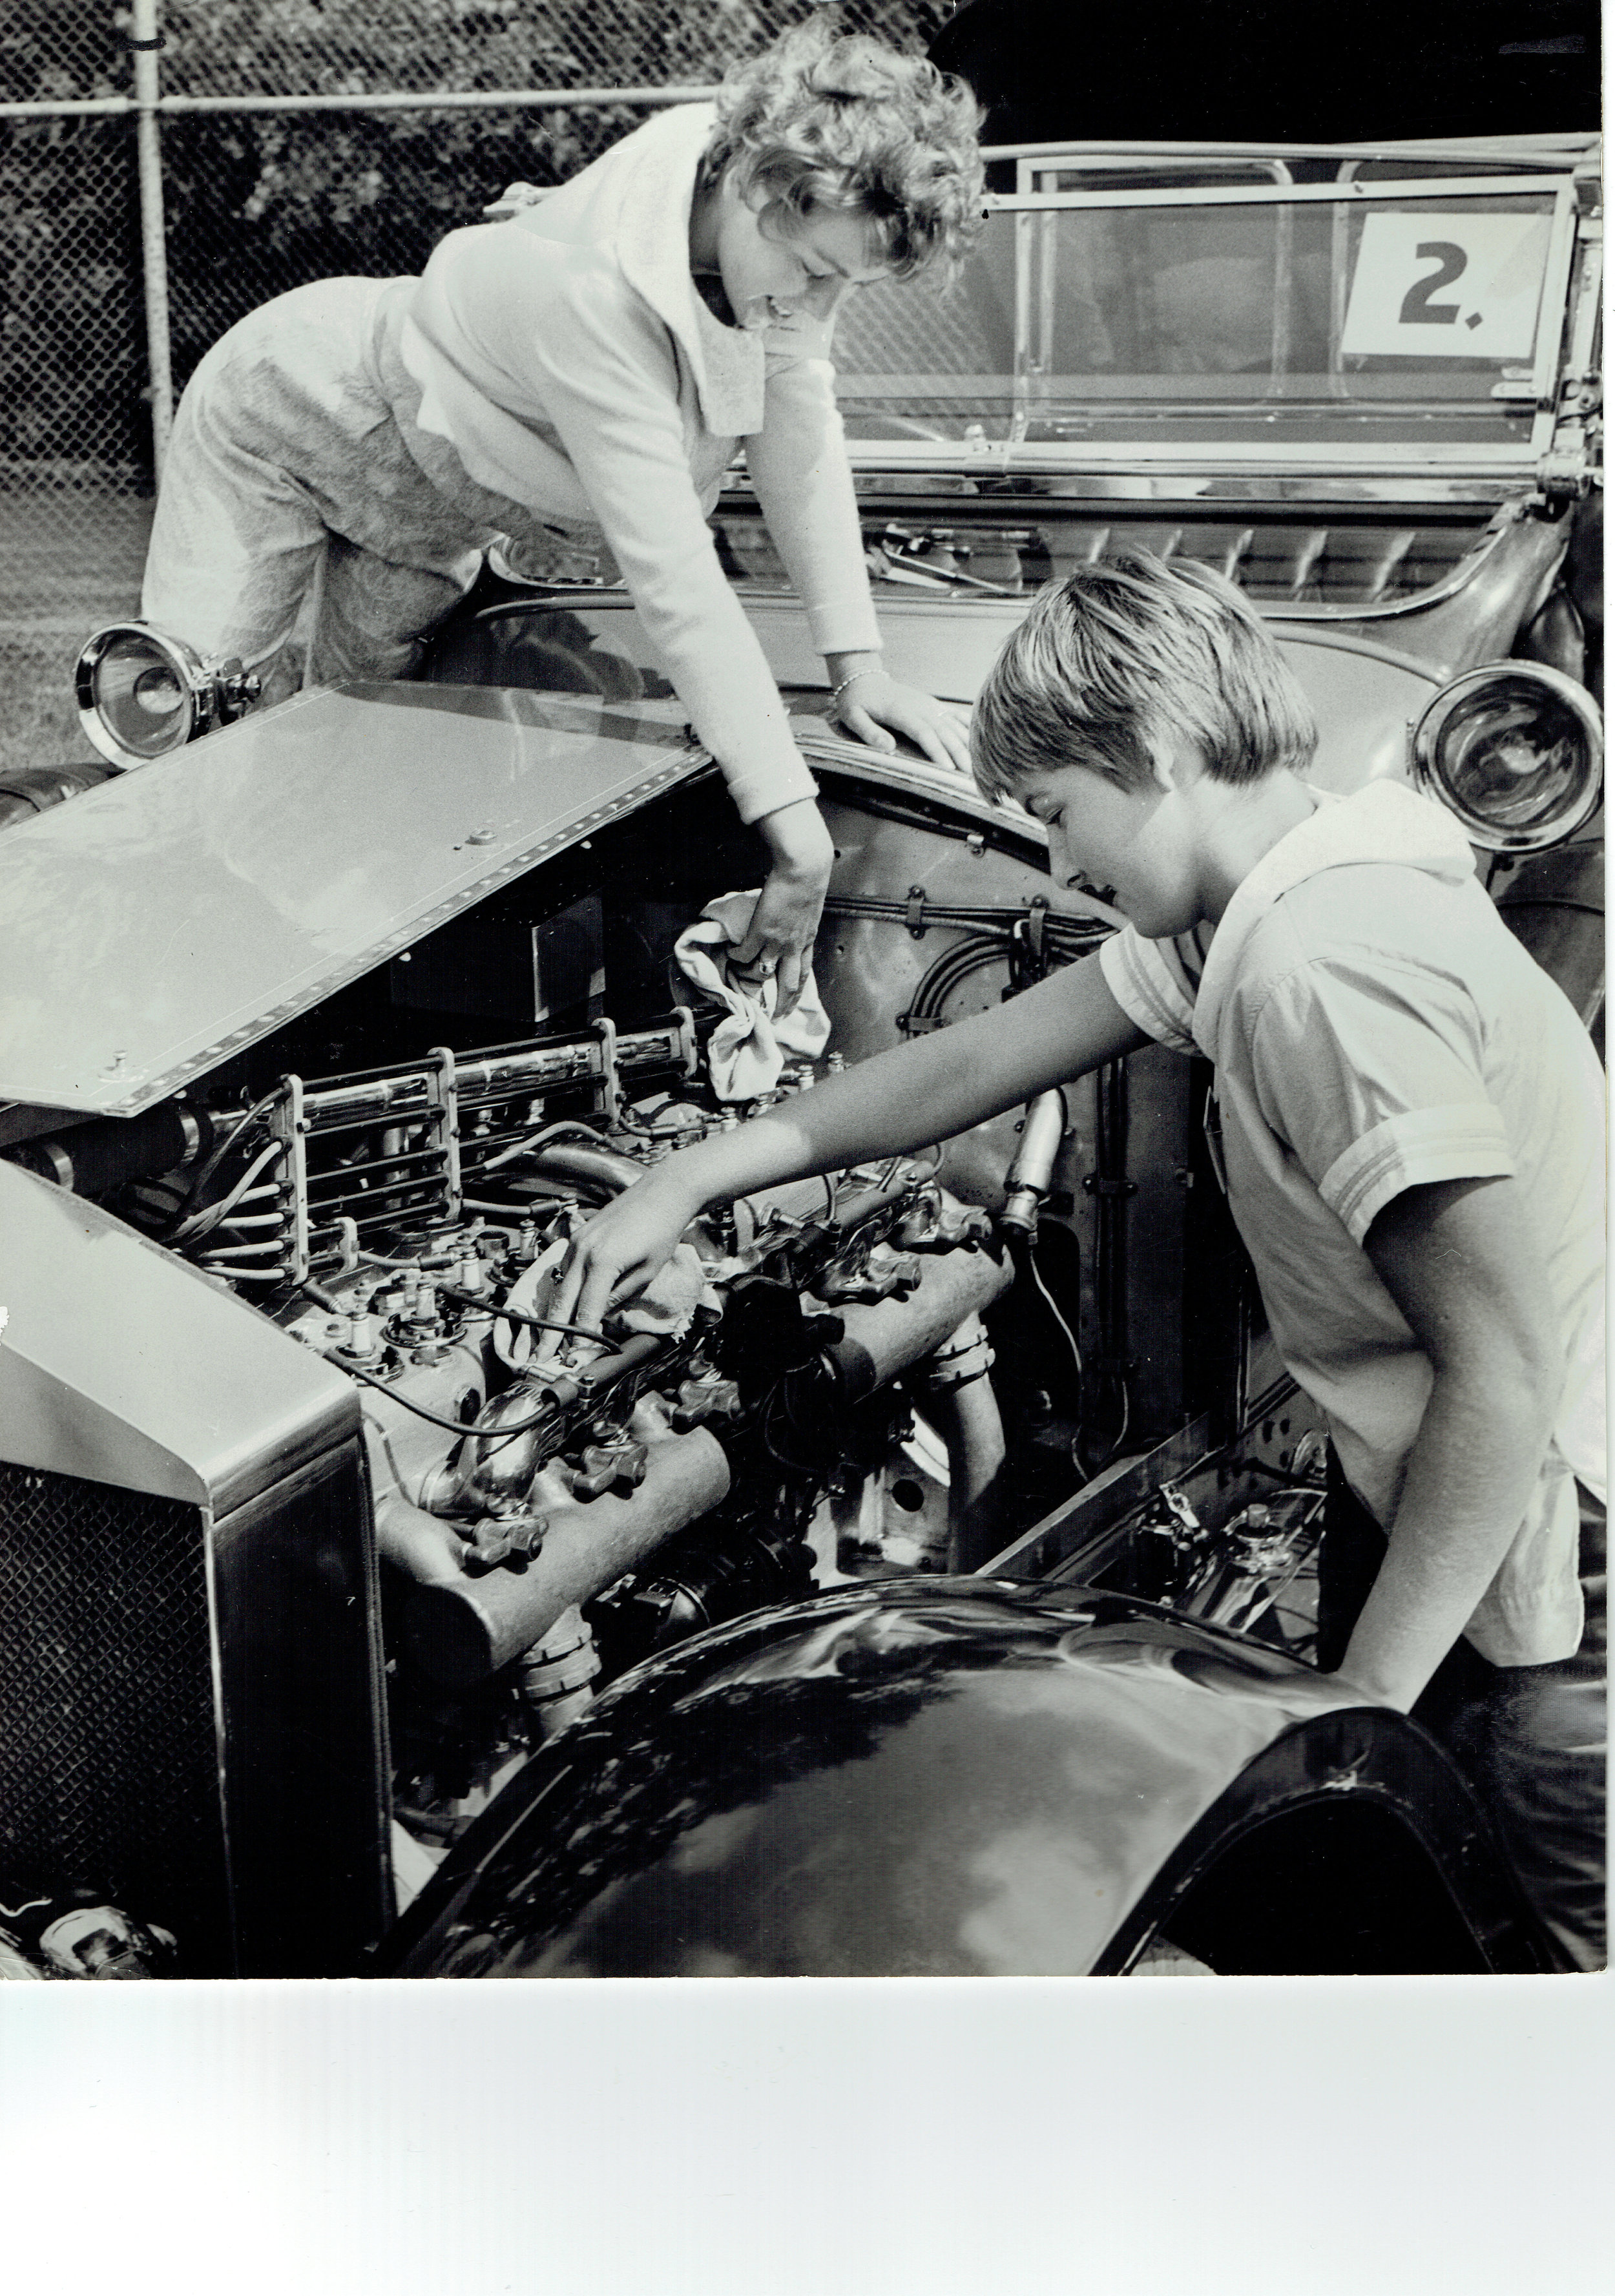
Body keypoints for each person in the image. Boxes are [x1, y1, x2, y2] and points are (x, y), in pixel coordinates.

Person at [548, 548, 1608, 1970]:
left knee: (1533, 1952)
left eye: (1056, 813)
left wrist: (1343, 1722)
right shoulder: (1274, 895)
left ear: (1159, 752)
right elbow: (976, 1057)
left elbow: (1505, 1365)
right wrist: (688, 1172)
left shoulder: (1320, 964)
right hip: (1437, 1475)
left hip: (1548, 1522)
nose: (1055, 864)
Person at [139, 25, 984, 1009]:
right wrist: (794, 833)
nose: (820, 300)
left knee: (355, 804)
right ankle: (140, 1043)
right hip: (300, 414)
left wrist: (858, 663)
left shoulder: (777, 217)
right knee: (192, 753)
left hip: (435, 506)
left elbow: (798, 420)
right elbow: (674, 580)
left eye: (848, 283)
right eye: (814, 271)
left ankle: (310, 1070)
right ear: (754, 185)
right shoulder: (598, 288)